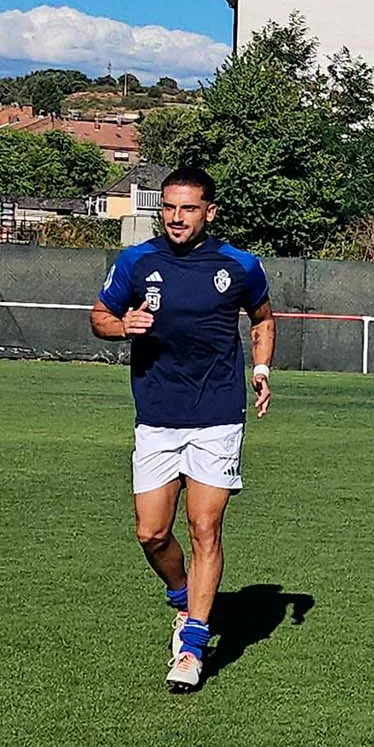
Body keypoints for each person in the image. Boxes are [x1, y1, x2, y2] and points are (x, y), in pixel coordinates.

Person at [89, 165, 274, 694]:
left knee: (205, 527)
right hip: (156, 415)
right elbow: (99, 316)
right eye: (168, 207)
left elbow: (262, 319)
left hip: (217, 414)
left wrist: (261, 370)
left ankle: (192, 645)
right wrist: (122, 325)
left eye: (187, 208)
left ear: (209, 212)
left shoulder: (239, 265)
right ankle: (181, 594)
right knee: (151, 532)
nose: (175, 217)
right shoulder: (136, 261)